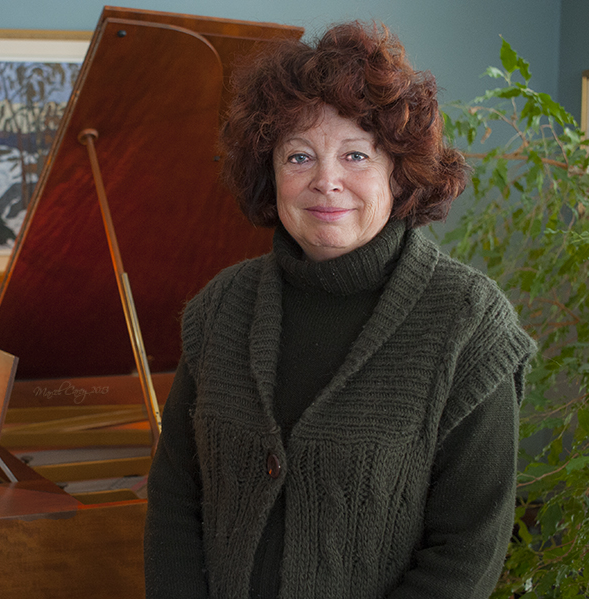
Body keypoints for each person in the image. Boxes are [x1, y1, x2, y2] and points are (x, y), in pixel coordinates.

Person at [143, 21, 536, 599]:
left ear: (398, 172)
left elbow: (467, 552)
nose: (326, 182)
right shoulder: (221, 308)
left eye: (355, 155)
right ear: (270, 172)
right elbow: (176, 498)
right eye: (299, 156)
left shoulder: (469, 324)